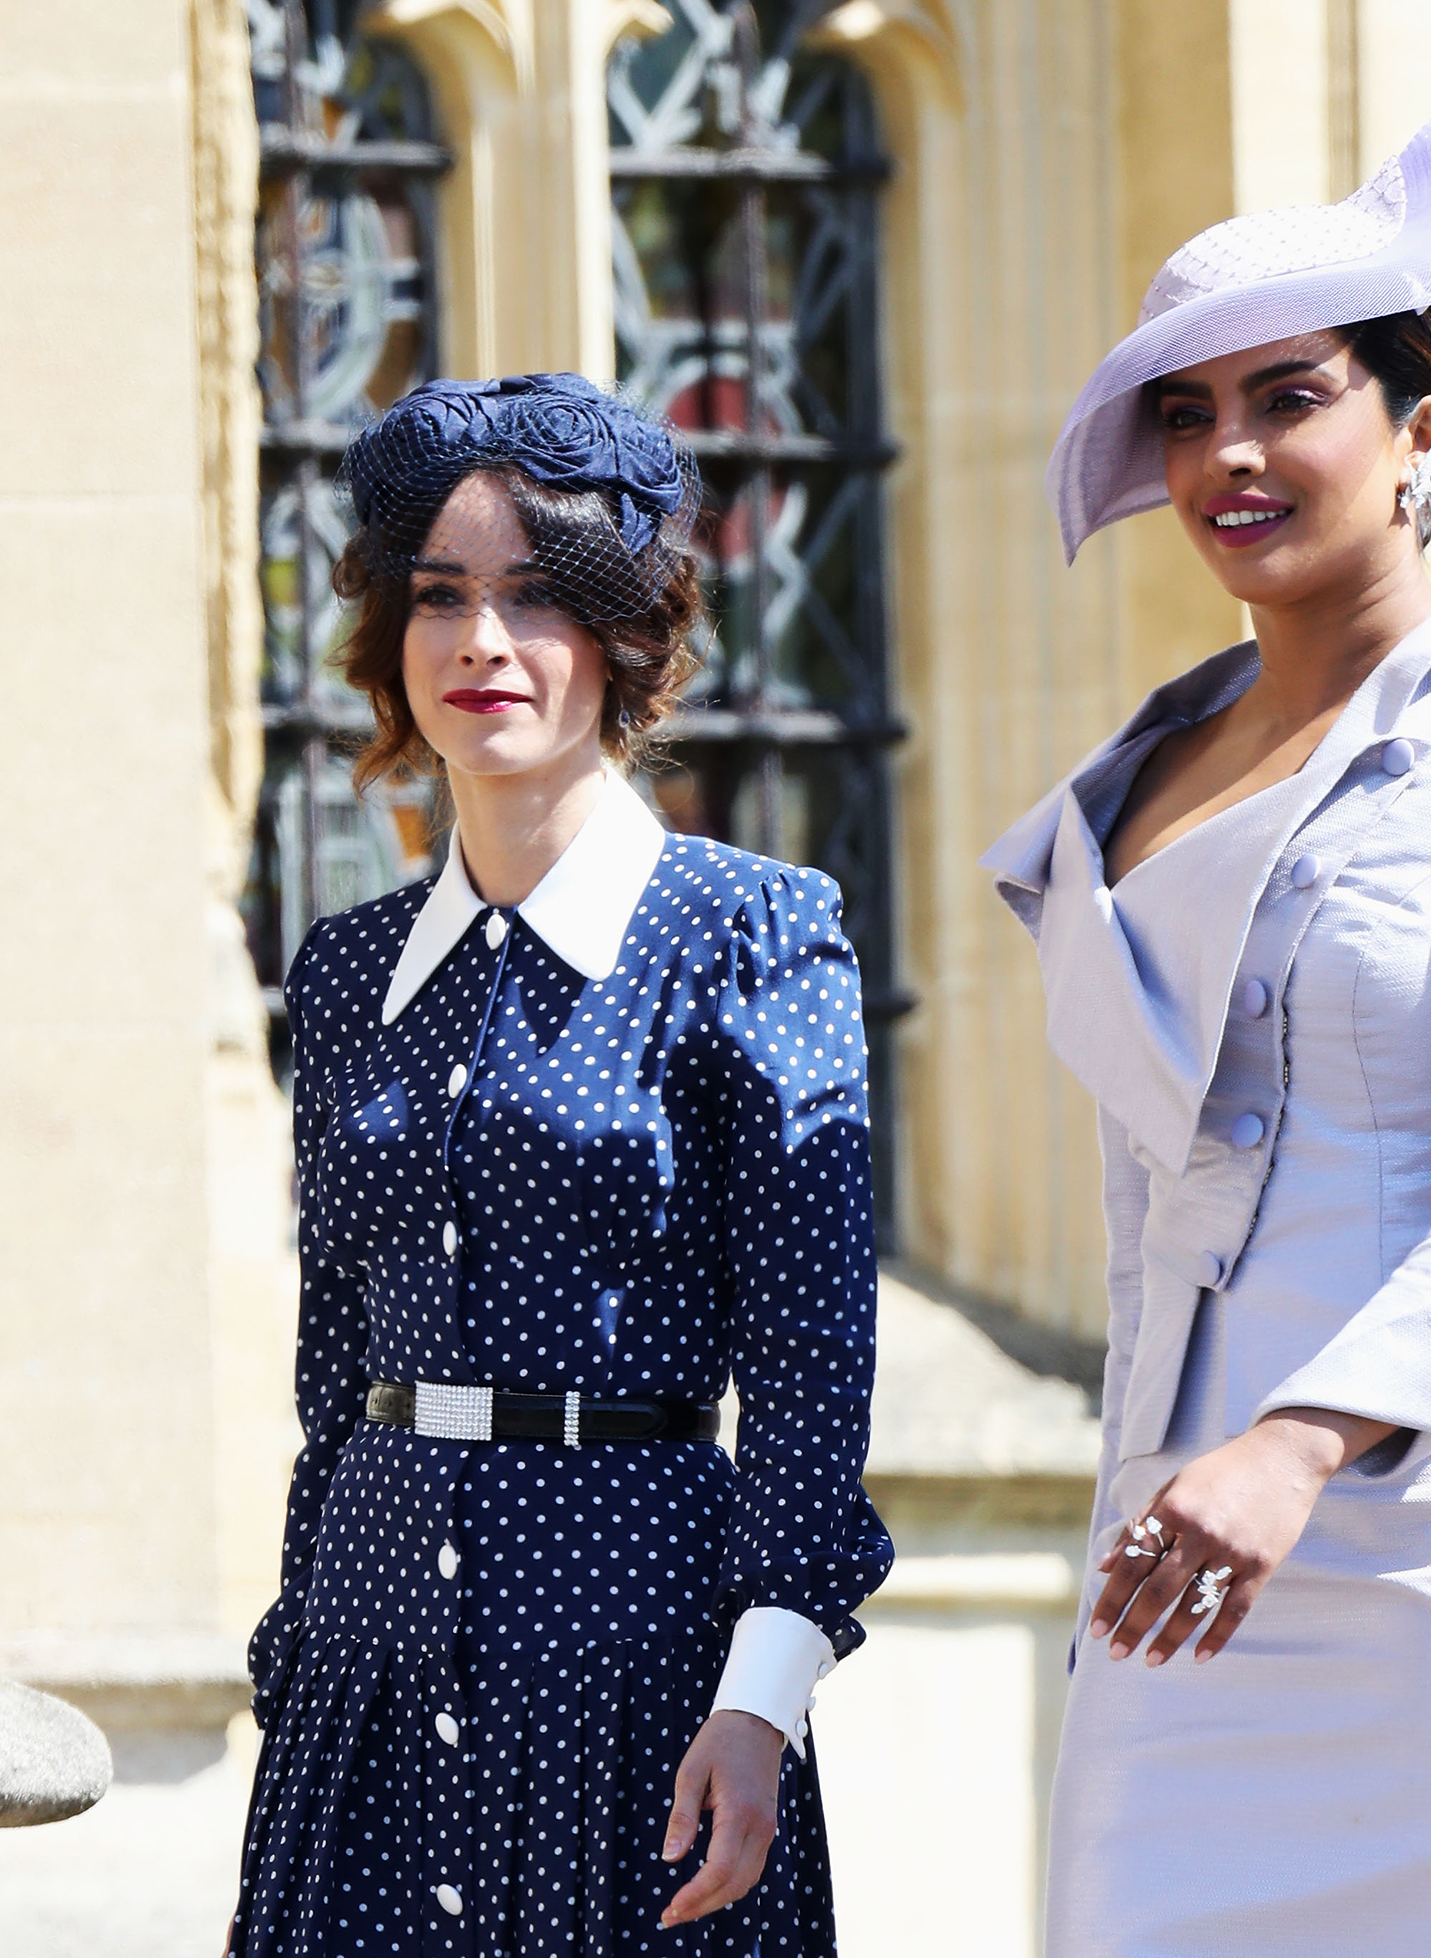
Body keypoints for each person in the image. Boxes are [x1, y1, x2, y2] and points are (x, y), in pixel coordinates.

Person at [983, 33, 1431, 1957]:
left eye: (1291, 398)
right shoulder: (1122, 785)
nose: (1231, 456)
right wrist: (1166, 1484)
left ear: (1426, 425)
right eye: (1189, 414)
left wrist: (1294, 1443)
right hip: (1176, 1598)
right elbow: (1148, 1223)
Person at [229, 373, 891, 1957]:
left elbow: (808, 1360)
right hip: (367, 1658)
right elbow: (338, 1366)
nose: (482, 644)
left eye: (538, 599)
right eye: (440, 596)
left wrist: (765, 1697)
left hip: (634, 1660)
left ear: (623, 635)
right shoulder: (342, 971)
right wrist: (303, 1635)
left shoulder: (750, 933)